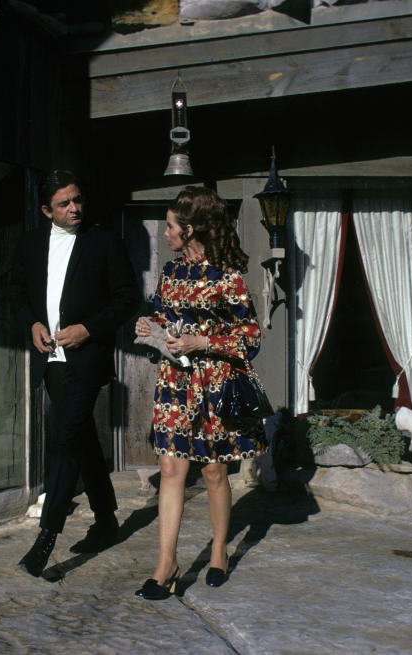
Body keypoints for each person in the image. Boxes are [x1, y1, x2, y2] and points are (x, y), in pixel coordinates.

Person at [133, 185, 265, 599]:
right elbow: (161, 316)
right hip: (174, 383)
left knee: (213, 472)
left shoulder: (228, 277)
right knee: (171, 471)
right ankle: (165, 565)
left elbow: (251, 338)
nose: (166, 232)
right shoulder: (171, 273)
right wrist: (149, 328)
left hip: (215, 386)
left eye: (171, 226)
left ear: (190, 229)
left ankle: (220, 552)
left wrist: (201, 343)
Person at [10, 170, 141, 577]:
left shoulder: (102, 241)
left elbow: (128, 299)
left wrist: (88, 329)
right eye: (65, 203)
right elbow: (15, 294)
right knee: (81, 438)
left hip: (85, 359)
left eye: (78, 199)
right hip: (50, 361)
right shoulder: (30, 243)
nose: (75, 208)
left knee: (64, 439)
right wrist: (31, 323)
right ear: (47, 209)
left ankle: (47, 536)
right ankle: (106, 521)